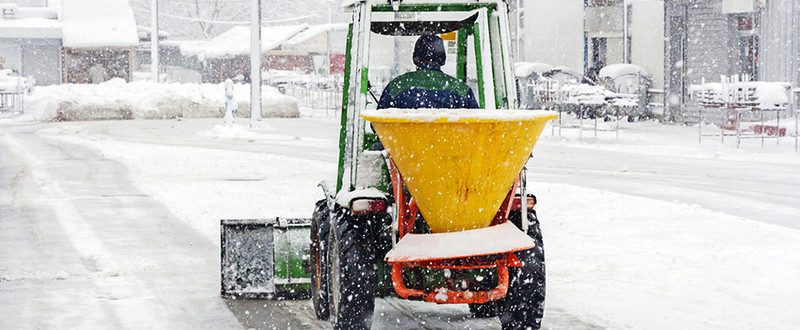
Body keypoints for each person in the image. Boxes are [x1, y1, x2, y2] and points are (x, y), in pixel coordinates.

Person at [377, 34, 479, 109]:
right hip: (449, 138)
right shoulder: (461, 89)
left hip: (404, 138)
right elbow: (475, 126)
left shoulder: (396, 86)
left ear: (415, 58)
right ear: (442, 59)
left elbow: (377, 125)